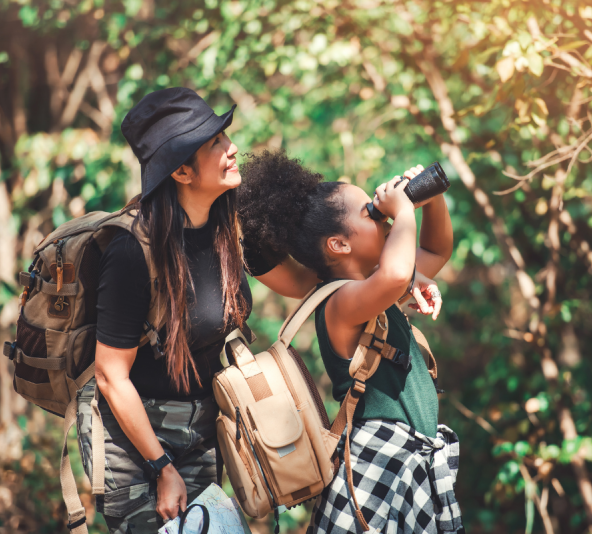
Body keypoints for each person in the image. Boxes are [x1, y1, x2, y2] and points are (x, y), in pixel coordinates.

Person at [75, 88, 441, 534]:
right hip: (137, 448)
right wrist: (160, 468)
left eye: (223, 135)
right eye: (213, 144)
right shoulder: (133, 252)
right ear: (182, 171)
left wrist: (407, 280)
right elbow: (111, 376)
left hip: (205, 433)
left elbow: (320, 287)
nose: (231, 148)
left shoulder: (230, 232)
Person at [238, 150, 462, 533]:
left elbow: (437, 251)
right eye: (370, 212)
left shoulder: (375, 285)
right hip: (375, 468)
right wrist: (405, 209)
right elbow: (394, 275)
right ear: (339, 245)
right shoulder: (340, 301)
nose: (385, 213)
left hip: (406, 461)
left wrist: (431, 200)